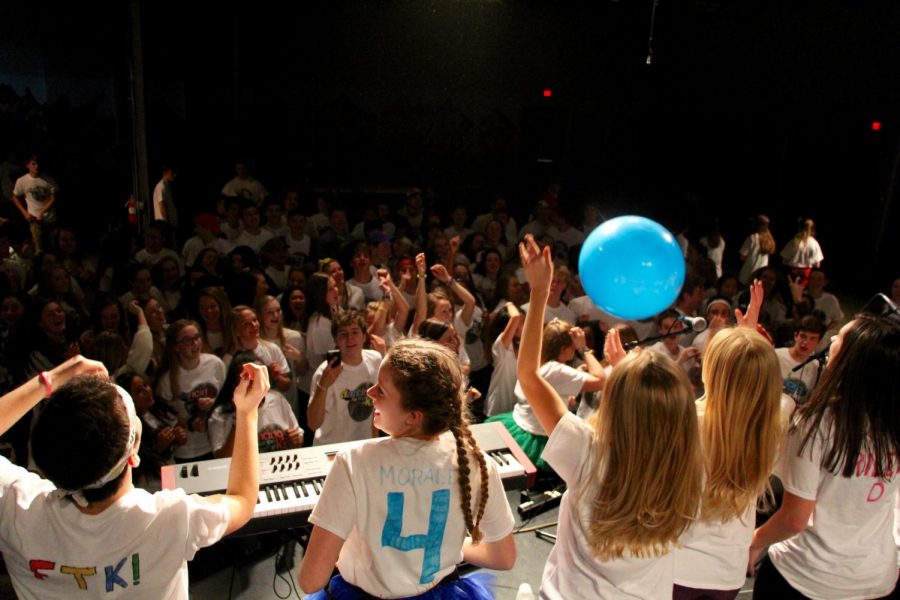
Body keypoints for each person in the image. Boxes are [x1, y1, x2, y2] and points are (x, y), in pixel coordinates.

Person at [515, 234, 703, 599]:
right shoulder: (688, 472)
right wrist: (629, 375)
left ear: (615, 402)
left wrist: (538, 293)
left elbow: (528, 374)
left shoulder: (586, 451)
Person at [0, 354, 269, 598]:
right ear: (133, 454)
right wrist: (247, 412)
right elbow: (242, 500)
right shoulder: (170, 518)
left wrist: (49, 380)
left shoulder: (17, 508)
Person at [298, 338, 517, 598]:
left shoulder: (353, 462)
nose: (369, 393)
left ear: (413, 416)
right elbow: (504, 557)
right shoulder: (476, 463)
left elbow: (310, 580)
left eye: (381, 390)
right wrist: (446, 547)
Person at [749, 296, 900, 599]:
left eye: (839, 339)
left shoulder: (817, 424)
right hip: (876, 577)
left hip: (808, 577)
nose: (831, 343)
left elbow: (794, 519)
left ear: (852, 362)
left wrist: (753, 543)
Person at [673, 294, 784, 598]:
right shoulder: (773, 427)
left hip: (676, 566)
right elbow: (759, 376)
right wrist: (748, 342)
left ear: (713, 372)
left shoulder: (688, 420)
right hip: (728, 572)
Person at [307, 310, 381, 446]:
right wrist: (323, 386)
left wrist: (374, 441)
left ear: (364, 336)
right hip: (331, 447)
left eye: (354, 332)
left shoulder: (375, 360)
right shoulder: (324, 372)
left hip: (363, 446)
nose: (350, 339)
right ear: (335, 340)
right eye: (343, 334)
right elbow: (313, 424)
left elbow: (378, 407)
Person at [157, 320, 227, 463]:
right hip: (188, 450)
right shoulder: (167, 379)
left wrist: (214, 404)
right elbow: (166, 419)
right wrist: (190, 423)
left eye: (196, 337)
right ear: (176, 347)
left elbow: (228, 400)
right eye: (187, 340)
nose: (194, 343)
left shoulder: (215, 364)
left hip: (217, 442)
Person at [208, 350, 301, 457]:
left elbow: (298, 437)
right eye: (249, 378)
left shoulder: (277, 400)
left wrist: (295, 439)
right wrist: (240, 417)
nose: (257, 381)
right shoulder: (220, 415)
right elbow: (222, 458)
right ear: (236, 382)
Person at [775, 315, 826, 406]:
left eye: (812, 339)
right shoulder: (775, 355)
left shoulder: (818, 368)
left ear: (819, 342)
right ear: (796, 336)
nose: (805, 342)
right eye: (803, 336)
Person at [12, 155, 58, 253]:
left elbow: (53, 198)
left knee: (53, 246)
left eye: (37, 164)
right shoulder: (22, 181)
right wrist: (25, 213)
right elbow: (15, 197)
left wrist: (43, 211)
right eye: (33, 164)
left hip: (50, 219)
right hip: (34, 219)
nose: (36, 166)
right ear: (27, 165)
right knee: (39, 248)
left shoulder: (48, 179)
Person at [780, 217, 823, 285]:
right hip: (807, 275)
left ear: (799, 228)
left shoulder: (793, 242)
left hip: (793, 273)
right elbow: (817, 264)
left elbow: (784, 260)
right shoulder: (814, 243)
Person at [738, 215, 776, 286]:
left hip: (748, 274)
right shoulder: (769, 240)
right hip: (761, 274)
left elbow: (742, 257)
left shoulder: (752, 238)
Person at [152, 164, 178, 233]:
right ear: (164, 173)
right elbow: (162, 206)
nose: (174, 175)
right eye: (172, 173)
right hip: (164, 227)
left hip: (168, 226)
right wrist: (167, 225)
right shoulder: (162, 186)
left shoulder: (167, 186)